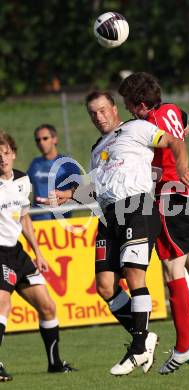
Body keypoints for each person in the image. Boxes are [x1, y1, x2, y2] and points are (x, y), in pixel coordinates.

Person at [47, 90, 189, 376]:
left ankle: (138, 347)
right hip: (108, 215)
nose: (98, 116)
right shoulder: (96, 148)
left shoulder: (137, 128)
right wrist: (70, 194)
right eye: (93, 113)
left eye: (103, 110)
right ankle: (144, 336)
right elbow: (99, 186)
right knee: (105, 286)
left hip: (137, 206)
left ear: (114, 109)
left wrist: (182, 166)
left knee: (133, 274)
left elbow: (173, 141)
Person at [118, 72, 189, 374]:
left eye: (129, 106)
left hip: (168, 195)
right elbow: (185, 126)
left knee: (172, 269)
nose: (128, 111)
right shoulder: (174, 109)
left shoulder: (145, 125)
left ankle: (183, 347)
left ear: (141, 105)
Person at [0, 131, 76, 382]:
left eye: (6, 152)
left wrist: (37, 252)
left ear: (13, 154)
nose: (2, 158)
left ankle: (54, 364)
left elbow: (24, 217)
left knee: (47, 306)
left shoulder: (23, 180)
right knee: (3, 304)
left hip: (18, 253)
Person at [27, 124, 80, 220]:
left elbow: (80, 192)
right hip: (37, 221)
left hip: (60, 222)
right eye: (38, 140)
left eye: (45, 138)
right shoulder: (35, 164)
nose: (41, 142)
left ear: (55, 139)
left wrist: (63, 199)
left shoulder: (67, 163)